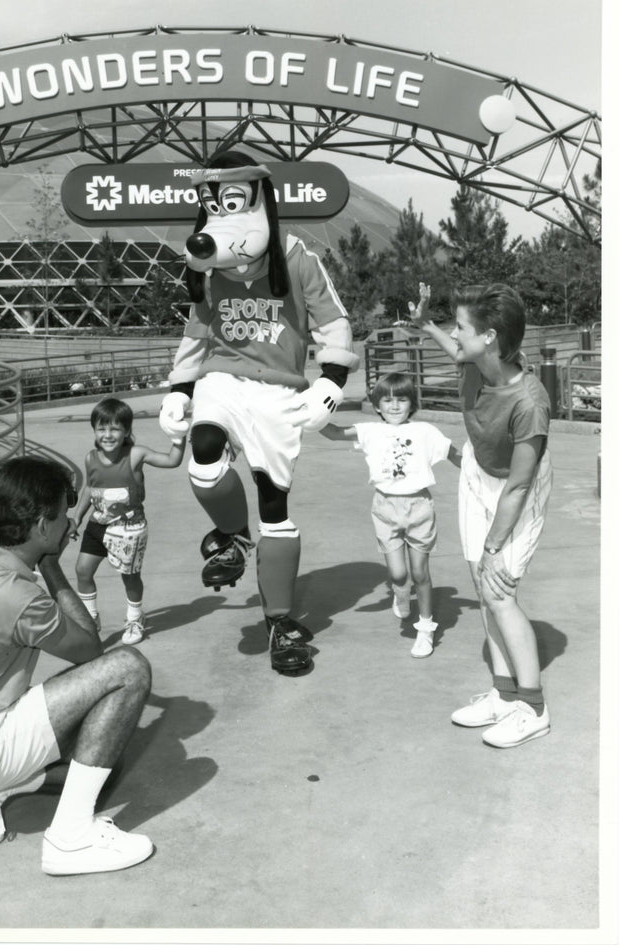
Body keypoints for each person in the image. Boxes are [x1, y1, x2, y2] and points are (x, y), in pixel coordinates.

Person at [158, 148, 359, 675]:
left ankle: (280, 620)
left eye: (231, 203)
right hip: (224, 378)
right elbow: (197, 332)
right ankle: (231, 534)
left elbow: (333, 324)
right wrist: (180, 388)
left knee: (275, 506)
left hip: (278, 393)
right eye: (213, 207)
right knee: (203, 458)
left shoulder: (295, 257)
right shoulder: (206, 269)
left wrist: (330, 383)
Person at [0, 455, 155, 875]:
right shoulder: (16, 597)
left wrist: (8, 485)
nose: (70, 525)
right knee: (129, 669)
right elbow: (89, 648)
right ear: (43, 527)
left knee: (102, 759)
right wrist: (51, 565)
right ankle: (70, 840)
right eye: (63, 518)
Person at [407, 281, 553, 747]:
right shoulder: (474, 358)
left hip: (516, 487)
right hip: (477, 471)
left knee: (500, 591)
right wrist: (425, 323)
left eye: (461, 327)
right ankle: (504, 694)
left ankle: (533, 708)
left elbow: (519, 486)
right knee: (482, 589)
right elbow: (454, 351)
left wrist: (494, 547)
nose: (456, 335)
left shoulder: (529, 403)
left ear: (489, 336)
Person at [320, 371, 461, 657]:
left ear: (412, 404)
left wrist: (483, 473)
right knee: (398, 574)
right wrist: (310, 412)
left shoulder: (425, 431)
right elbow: (333, 433)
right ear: (377, 405)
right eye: (387, 400)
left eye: (402, 400)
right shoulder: (370, 430)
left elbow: (455, 454)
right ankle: (399, 592)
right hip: (385, 507)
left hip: (419, 506)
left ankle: (425, 629)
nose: (395, 406)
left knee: (420, 572)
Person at [70, 396, 186, 645]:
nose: (108, 434)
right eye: (101, 428)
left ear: (126, 431)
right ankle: (90, 620)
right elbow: (90, 489)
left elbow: (172, 460)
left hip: (128, 529)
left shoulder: (136, 455)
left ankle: (134, 618)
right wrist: (77, 518)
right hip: (97, 526)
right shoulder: (91, 458)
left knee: (129, 577)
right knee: (82, 570)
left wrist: (179, 436)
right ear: (94, 430)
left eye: (114, 428)